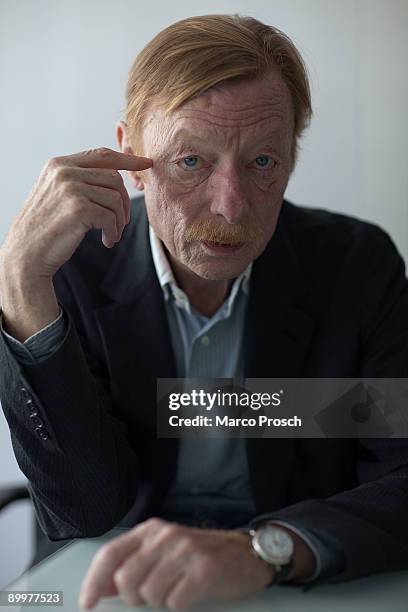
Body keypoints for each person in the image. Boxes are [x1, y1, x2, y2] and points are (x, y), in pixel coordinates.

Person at [0, 13, 408, 611]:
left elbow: (402, 476)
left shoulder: (356, 268)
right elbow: (87, 509)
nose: (230, 205)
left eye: (263, 162)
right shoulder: (69, 276)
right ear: (129, 160)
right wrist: (18, 285)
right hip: (112, 583)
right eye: (191, 161)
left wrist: (263, 549)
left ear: (292, 156)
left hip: (295, 581)